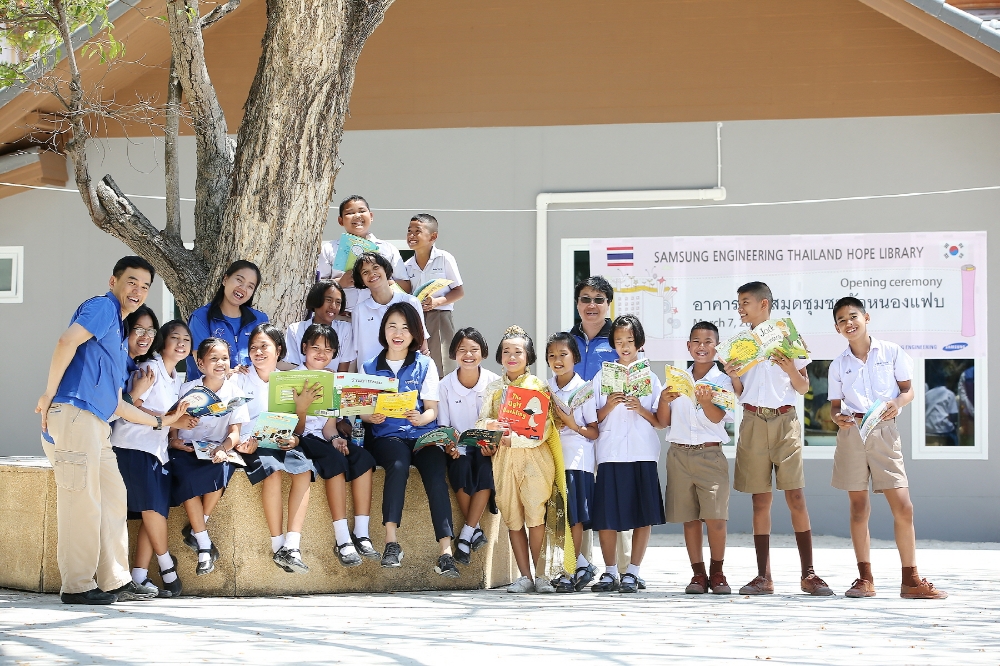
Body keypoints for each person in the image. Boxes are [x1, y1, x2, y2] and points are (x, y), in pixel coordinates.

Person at [35, 256, 191, 605]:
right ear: (113, 281)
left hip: (97, 425)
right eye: (131, 282)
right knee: (83, 502)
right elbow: (66, 341)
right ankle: (77, 586)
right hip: (75, 415)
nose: (137, 290)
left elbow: (118, 404)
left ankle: (113, 580)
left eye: (145, 286)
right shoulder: (103, 308)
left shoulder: (117, 339)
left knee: (113, 499)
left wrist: (163, 421)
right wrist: (48, 395)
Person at [828, 297, 947, 599]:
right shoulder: (838, 364)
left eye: (853, 316)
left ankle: (911, 580)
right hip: (852, 433)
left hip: (884, 431)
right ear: (836, 327)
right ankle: (864, 578)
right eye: (841, 320)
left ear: (867, 317)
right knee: (858, 508)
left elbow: (908, 390)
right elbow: (833, 407)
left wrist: (897, 402)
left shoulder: (892, 352)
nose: (848, 324)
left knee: (904, 507)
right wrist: (836, 417)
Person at [724, 281, 832, 596]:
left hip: (785, 421)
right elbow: (740, 392)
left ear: (764, 304)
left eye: (745, 302)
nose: (740, 308)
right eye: (739, 303)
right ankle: (763, 577)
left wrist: (789, 367)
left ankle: (809, 574)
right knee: (761, 499)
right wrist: (732, 375)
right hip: (754, 420)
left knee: (796, 496)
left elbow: (803, 387)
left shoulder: (788, 335)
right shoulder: (739, 343)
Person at [361, 303, 461, 577]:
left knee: (435, 472)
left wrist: (421, 418)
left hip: (420, 434)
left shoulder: (425, 365)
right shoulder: (370, 366)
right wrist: (373, 417)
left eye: (405, 327)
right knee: (397, 465)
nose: (398, 333)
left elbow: (432, 409)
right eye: (392, 325)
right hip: (388, 436)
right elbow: (362, 411)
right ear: (383, 330)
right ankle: (391, 542)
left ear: (415, 333)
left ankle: (445, 552)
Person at [477, 325, 573, 594]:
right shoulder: (493, 388)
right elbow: (482, 419)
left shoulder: (538, 387)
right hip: (505, 460)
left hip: (535, 458)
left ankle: (542, 576)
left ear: (528, 356)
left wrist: (511, 438)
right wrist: (491, 430)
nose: (512, 357)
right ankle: (524, 576)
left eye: (518, 352)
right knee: (513, 516)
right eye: (506, 351)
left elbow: (542, 430)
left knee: (535, 515)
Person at [111, 320, 198, 598]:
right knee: (151, 509)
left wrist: (178, 426)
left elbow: (169, 416)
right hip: (133, 447)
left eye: (187, 339)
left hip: (157, 450)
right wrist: (172, 419)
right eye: (175, 337)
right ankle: (166, 565)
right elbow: (132, 405)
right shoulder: (150, 367)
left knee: (157, 511)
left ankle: (139, 575)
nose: (182, 343)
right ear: (163, 341)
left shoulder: (176, 377)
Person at [292, 323, 379, 567]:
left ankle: (361, 533)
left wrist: (336, 439)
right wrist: (302, 407)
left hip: (321, 438)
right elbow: (294, 429)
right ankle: (343, 539)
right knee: (336, 462)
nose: (321, 353)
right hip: (299, 439)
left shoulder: (332, 380)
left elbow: (329, 427)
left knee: (363, 458)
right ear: (304, 348)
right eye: (316, 347)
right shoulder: (292, 378)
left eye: (328, 350)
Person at [590, 315, 665, 594]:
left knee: (642, 513)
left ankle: (633, 571)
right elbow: (593, 418)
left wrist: (641, 408)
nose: (624, 346)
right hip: (610, 452)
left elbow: (659, 420)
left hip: (642, 451)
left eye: (630, 341)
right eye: (619, 341)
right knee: (607, 514)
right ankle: (610, 571)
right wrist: (609, 405)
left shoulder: (651, 377)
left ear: (639, 344)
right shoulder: (602, 376)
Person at [658, 321, 733, 595]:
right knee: (689, 518)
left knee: (715, 518)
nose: (702, 347)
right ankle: (698, 574)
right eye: (696, 342)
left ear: (716, 347)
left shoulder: (723, 381)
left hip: (710, 454)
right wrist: (665, 400)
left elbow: (718, 417)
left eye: (708, 342)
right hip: (679, 454)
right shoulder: (676, 378)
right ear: (688, 346)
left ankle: (718, 571)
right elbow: (662, 422)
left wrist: (704, 400)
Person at [236, 324, 318, 574]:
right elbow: (230, 420)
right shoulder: (238, 377)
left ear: (278, 350)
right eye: (253, 347)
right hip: (251, 444)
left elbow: (298, 429)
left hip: (281, 440)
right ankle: (277, 545)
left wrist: (295, 436)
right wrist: (241, 444)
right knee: (272, 471)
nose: (258, 352)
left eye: (264, 346)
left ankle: (293, 545)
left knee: (304, 468)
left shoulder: (287, 381)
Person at [568, 275, 633, 581]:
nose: (591, 305)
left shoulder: (619, 339)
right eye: (585, 299)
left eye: (598, 300)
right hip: (577, 433)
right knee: (582, 499)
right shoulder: (568, 340)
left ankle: (625, 570)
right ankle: (584, 565)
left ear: (608, 304)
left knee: (613, 496)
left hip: (612, 430)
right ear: (577, 303)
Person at [169, 338, 252, 576]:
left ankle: (198, 531)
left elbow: (235, 433)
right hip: (185, 449)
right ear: (200, 363)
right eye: (213, 358)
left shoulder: (235, 393)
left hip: (214, 449)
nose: (220, 363)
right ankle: (204, 545)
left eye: (225, 358)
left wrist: (224, 448)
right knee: (186, 478)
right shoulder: (187, 389)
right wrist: (175, 440)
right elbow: (172, 425)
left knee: (222, 468)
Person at [437, 328, 499, 566]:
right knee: (460, 468)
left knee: (485, 470)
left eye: (474, 350)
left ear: (483, 353)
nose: (468, 355)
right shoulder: (445, 385)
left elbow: (499, 420)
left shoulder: (494, 382)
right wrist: (450, 446)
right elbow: (444, 425)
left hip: (486, 448)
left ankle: (466, 534)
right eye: (462, 350)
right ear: (454, 353)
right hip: (459, 447)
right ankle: (473, 531)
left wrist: (492, 444)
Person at [545, 332, 600, 593]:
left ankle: (571, 570)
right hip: (552, 459)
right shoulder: (545, 389)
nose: (558, 360)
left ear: (575, 358)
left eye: (563, 354)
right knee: (558, 517)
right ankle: (579, 565)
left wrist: (570, 424)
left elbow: (593, 431)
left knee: (574, 517)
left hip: (577, 460)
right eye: (552, 355)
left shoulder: (584, 389)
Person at [316, 195, 411, 312]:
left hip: (379, 317)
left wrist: (380, 280)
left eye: (362, 211)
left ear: (371, 216)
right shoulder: (329, 249)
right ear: (340, 220)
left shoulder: (388, 249)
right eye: (350, 213)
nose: (357, 216)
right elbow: (316, 286)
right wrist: (340, 282)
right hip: (341, 318)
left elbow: (406, 286)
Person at [404, 214, 465, 376]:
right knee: (418, 363)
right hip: (416, 320)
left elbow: (459, 291)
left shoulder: (444, 258)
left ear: (433, 236)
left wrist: (437, 302)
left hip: (440, 317)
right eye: (409, 231)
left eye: (417, 231)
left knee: (443, 364)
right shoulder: (407, 266)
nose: (411, 235)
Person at [186, 260, 268, 380]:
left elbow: (268, 358)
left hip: (250, 390)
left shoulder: (259, 319)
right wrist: (230, 373)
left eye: (250, 286)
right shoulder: (201, 317)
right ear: (225, 279)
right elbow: (201, 363)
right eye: (239, 280)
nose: (243, 288)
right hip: (211, 392)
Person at [351, 251, 428, 367]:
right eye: (365, 272)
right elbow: (355, 352)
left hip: (405, 374)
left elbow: (422, 343)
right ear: (361, 280)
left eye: (376, 267)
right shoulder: (359, 310)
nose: (372, 274)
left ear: (385, 269)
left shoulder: (411, 302)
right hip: (370, 379)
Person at [282, 280, 354, 372]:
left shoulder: (345, 329)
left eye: (338, 302)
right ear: (316, 299)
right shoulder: (295, 329)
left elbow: (343, 372)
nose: (333, 306)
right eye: (328, 300)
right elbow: (292, 367)